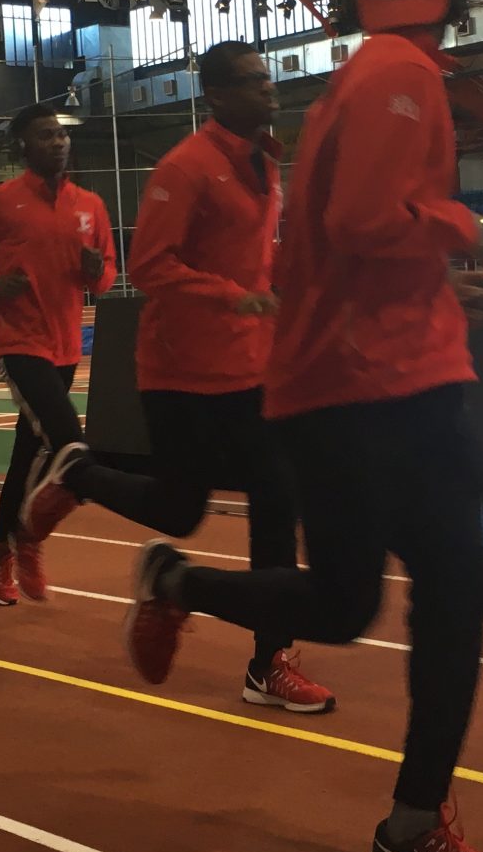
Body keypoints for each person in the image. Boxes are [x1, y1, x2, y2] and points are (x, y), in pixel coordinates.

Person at [120, 0, 483, 852]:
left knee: (352, 602)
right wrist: (457, 227)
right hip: (375, 384)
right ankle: (412, 828)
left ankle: (178, 581)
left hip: (342, 380)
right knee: (448, 587)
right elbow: (361, 220)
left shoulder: (360, 76)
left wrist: (425, 278)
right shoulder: (401, 74)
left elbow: (344, 236)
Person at [18, 41, 333, 712]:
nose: (269, 89)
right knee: (179, 511)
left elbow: (260, 254)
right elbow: (150, 265)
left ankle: (269, 662)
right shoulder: (186, 166)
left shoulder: (265, 164)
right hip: (182, 372)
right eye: (252, 81)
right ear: (216, 95)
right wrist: (232, 296)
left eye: (268, 79)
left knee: (278, 504)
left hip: (250, 366)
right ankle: (78, 474)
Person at [0, 105, 122, 605]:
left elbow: (105, 279)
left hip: (65, 345)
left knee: (26, 454)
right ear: (23, 147)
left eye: (61, 134)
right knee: (69, 445)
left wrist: (95, 271)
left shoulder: (90, 204)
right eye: (45, 136)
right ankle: (29, 537)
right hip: (18, 341)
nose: (58, 142)